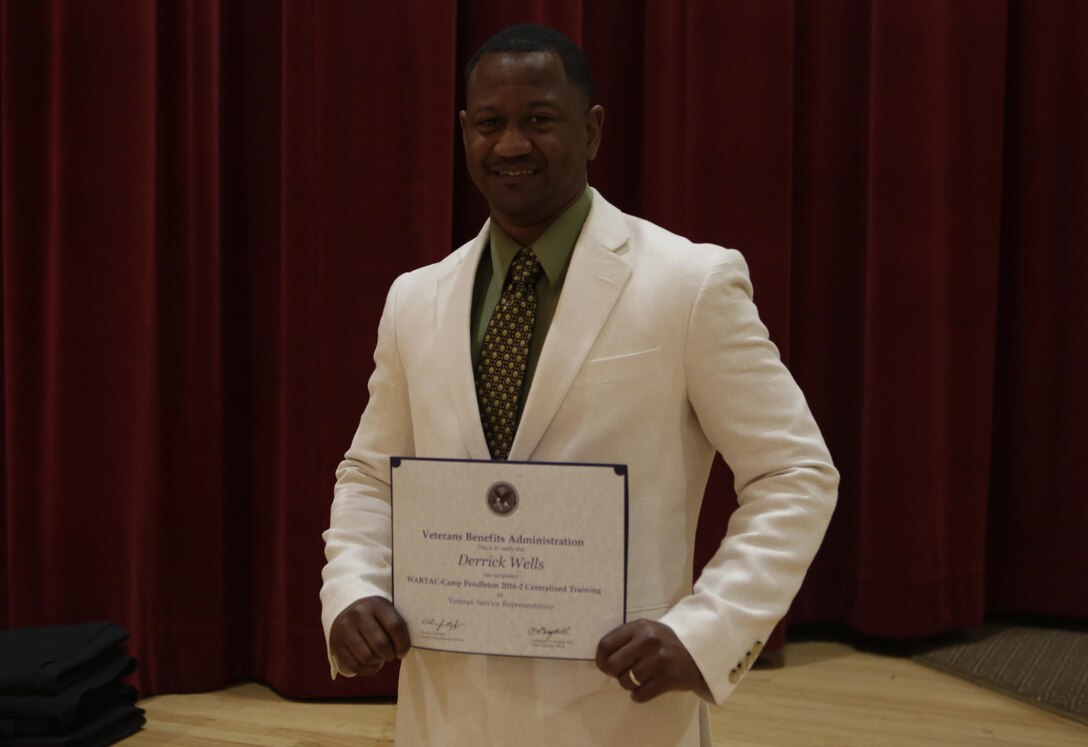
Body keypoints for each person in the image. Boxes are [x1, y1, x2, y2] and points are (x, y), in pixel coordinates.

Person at [320, 23, 838, 746]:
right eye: (491, 124)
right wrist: (352, 587)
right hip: (446, 710)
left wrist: (708, 628)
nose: (511, 145)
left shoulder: (689, 284)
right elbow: (371, 475)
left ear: (591, 132)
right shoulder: (416, 298)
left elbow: (795, 472)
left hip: (617, 711)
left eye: (539, 120)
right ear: (465, 132)